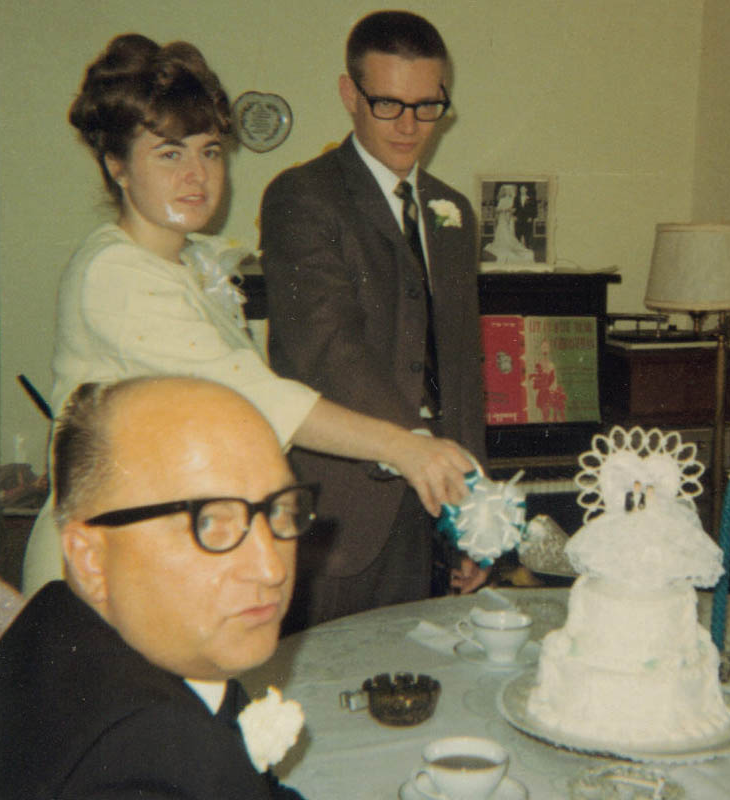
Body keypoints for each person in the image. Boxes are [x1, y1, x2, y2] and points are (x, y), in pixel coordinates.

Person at [21, 33, 475, 597]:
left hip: (175, 543)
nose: (197, 175)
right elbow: (253, 397)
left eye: (210, 151)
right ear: (117, 165)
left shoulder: (192, 263)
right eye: (170, 154)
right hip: (107, 559)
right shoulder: (115, 272)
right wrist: (404, 446)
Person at [260, 11, 488, 629]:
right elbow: (329, 348)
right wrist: (423, 454)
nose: (410, 126)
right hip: (341, 514)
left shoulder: (453, 211)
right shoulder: (302, 197)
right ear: (349, 94)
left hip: (433, 510)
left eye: (427, 106)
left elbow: (462, 367)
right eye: (388, 104)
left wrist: (477, 511)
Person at [0, 376, 309, 798]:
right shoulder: (145, 762)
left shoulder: (57, 623)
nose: (271, 569)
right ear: (91, 559)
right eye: (208, 522)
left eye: (279, 509)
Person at [483, 183, 535, 264]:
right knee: (502, 231)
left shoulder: (513, 200)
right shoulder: (502, 200)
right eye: (506, 191)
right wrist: (503, 210)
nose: (508, 192)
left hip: (510, 218)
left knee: (510, 232)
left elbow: (515, 209)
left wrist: (510, 212)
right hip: (502, 218)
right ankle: (502, 244)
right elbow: (498, 210)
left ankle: (515, 245)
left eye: (509, 191)